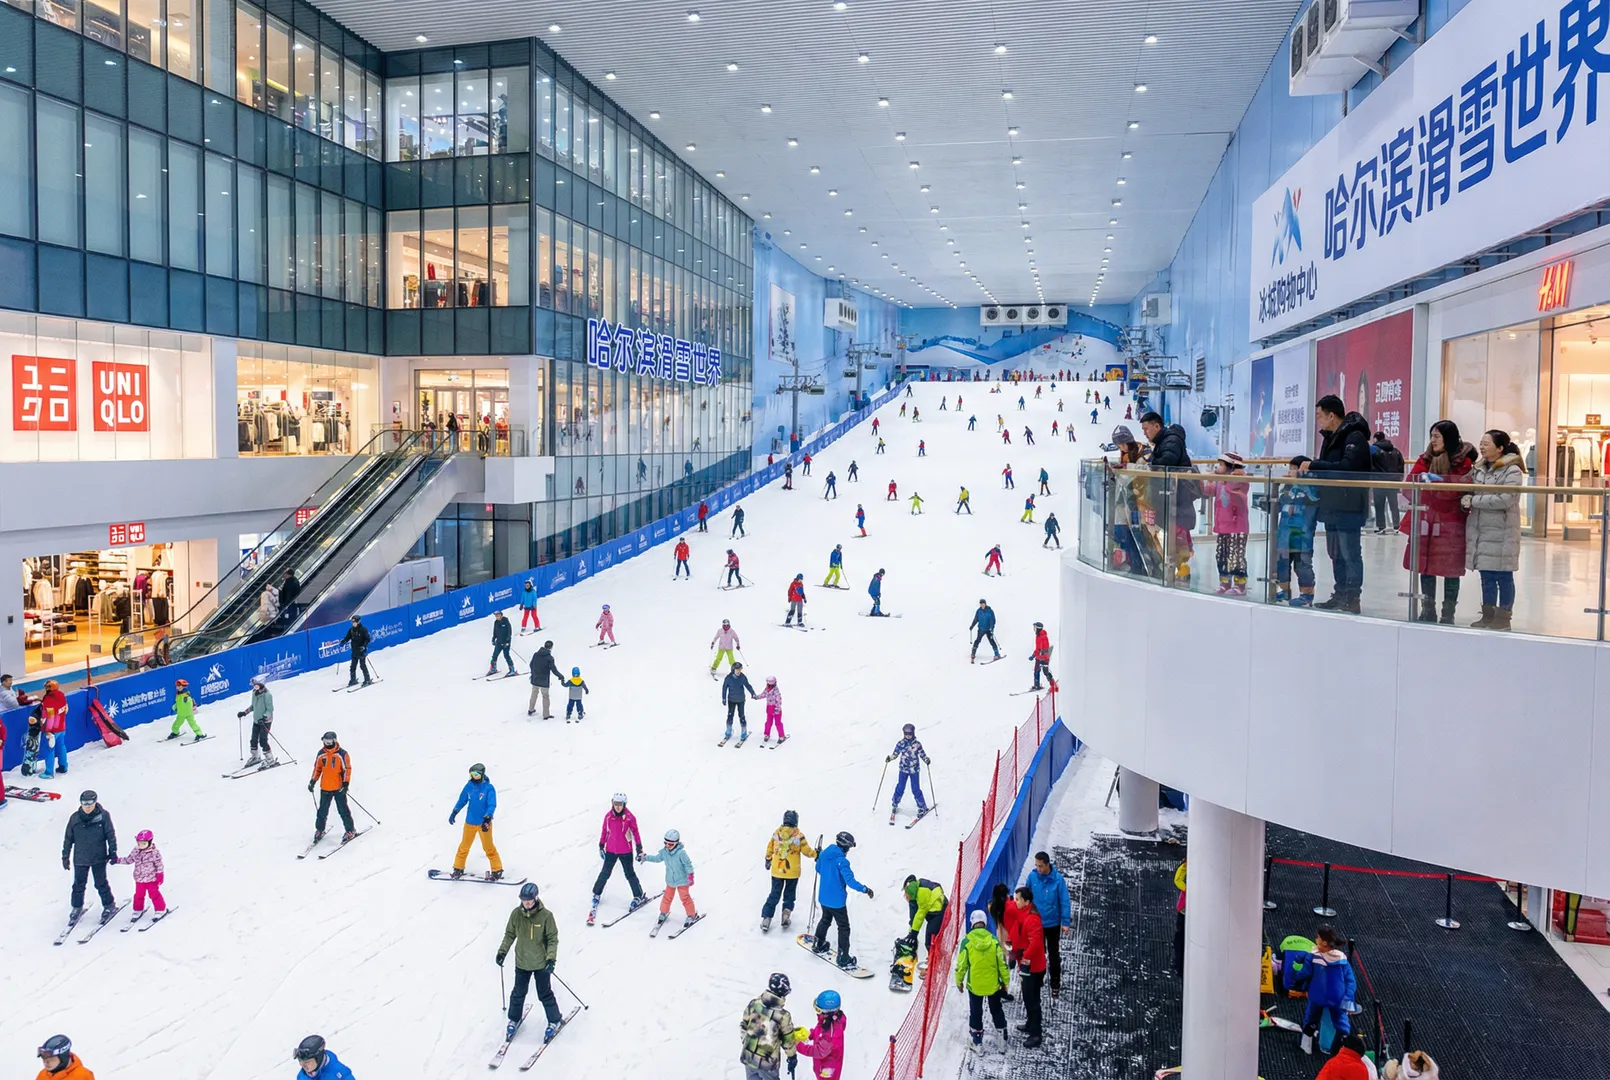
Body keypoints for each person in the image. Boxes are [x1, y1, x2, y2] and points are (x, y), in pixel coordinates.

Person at [1299, 395, 1371, 612]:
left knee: (1350, 553)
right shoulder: (1330, 437)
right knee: (1335, 553)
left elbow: (1347, 466)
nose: (1319, 421)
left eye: (1320, 416)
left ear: (1331, 415)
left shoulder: (1354, 437)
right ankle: (1339, 594)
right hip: (1331, 504)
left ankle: (1352, 597)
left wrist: (1315, 465)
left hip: (1349, 506)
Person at [1403, 419, 1474, 624]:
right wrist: (1428, 485)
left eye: (1437, 436)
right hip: (1426, 520)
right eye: (1431, 436)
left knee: (1450, 570)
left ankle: (1448, 613)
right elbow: (1408, 487)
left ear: (1448, 438)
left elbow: (1454, 492)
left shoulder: (1464, 462)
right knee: (1425, 566)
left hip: (1450, 524)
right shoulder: (1425, 458)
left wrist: (1436, 485)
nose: (1432, 440)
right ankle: (1428, 609)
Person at [1464, 429, 1525, 631]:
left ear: (1500, 448)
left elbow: (1506, 499)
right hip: (1481, 529)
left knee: (1504, 576)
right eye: (1481, 443)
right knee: (1486, 576)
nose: (1482, 446)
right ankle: (1488, 615)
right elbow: (1470, 490)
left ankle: (1504, 617)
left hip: (1503, 531)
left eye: (1486, 443)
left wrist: (1474, 500)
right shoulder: (1479, 469)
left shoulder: (1512, 471)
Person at [496, 883, 564, 1043]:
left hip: (541, 963)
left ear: (535, 898)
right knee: (518, 993)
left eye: (529, 900)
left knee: (544, 994)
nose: (526, 903)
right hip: (522, 961)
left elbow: (552, 939)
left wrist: (551, 959)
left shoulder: (546, 916)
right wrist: (502, 952)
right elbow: (509, 934)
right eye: (523, 900)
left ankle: (554, 1020)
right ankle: (513, 1019)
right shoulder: (516, 914)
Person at [812, 831, 873, 968]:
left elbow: (818, 868)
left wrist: (819, 858)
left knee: (825, 919)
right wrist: (865, 889)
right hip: (837, 901)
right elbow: (850, 882)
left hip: (823, 897)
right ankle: (843, 957)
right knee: (844, 927)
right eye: (849, 847)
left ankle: (818, 943)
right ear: (845, 847)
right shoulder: (842, 862)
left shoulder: (825, 853)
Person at [1265, 457, 1320, 606]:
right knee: (1282, 562)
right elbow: (1279, 502)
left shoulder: (1311, 485)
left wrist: (1300, 482)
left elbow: (1314, 499)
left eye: (1294, 468)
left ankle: (1306, 594)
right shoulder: (1288, 486)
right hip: (1285, 533)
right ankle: (1284, 589)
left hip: (1302, 534)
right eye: (1290, 468)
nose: (1291, 471)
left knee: (1302, 564)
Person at [955, 910, 1011, 1047]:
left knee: (976, 1012)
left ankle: (977, 1042)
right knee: (996, 1009)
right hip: (993, 985)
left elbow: (961, 965)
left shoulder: (967, 942)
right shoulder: (993, 940)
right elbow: (1002, 963)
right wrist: (1005, 982)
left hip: (975, 986)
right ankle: (1002, 1039)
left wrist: (959, 981)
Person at [1302, 925, 1357, 1053]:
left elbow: (1305, 973)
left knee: (1311, 1018)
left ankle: (1306, 1045)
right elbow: (1350, 981)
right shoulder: (1342, 959)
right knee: (1341, 1023)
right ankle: (1340, 1050)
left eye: (1317, 937)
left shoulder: (1313, 957)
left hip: (1317, 996)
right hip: (1337, 998)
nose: (1315, 939)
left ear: (1324, 942)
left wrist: (1297, 984)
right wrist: (1348, 998)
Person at [63, 790, 117, 919]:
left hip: (99, 857)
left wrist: (113, 852)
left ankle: (109, 905)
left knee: (100, 883)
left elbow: (110, 835)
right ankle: (76, 907)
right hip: (80, 858)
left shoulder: (103, 816)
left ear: (95, 802)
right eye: (84, 803)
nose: (87, 806)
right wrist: (65, 857)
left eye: (90, 803)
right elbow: (68, 839)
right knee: (78, 884)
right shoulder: (75, 818)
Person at [760, 809, 816, 931]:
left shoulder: (777, 833)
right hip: (792, 872)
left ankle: (766, 919)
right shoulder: (798, 835)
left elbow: (770, 846)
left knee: (774, 893)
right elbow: (806, 850)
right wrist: (816, 854)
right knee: (789, 894)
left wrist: (768, 858)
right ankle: (785, 916)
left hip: (777, 870)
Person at [592, 793, 647, 916]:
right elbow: (604, 831)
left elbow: (636, 833)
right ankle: (596, 893)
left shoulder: (629, 817)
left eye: (620, 805)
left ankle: (638, 896)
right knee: (605, 873)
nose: (617, 807)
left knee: (629, 874)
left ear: (624, 805)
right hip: (611, 850)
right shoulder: (608, 817)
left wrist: (639, 848)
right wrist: (601, 845)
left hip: (626, 851)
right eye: (615, 804)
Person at [1205, 452, 1251, 595]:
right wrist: (1206, 479)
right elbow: (1208, 490)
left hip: (1237, 527)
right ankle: (1224, 582)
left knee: (1236, 556)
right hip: (1222, 526)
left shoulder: (1240, 481)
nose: (1219, 468)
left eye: (1222, 465)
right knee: (1222, 555)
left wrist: (1224, 479)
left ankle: (1240, 584)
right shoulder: (1220, 481)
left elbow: (1237, 495)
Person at [740, 972, 801, 1080]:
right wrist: (792, 1056)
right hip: (767, 1063)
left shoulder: (754, 1004)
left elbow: (744, 1024)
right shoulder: (783, 1016)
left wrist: (747, 1042)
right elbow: (788, 1041)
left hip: (749, 1057)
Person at [1026, 852, 1071, 997]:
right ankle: (1038, 979)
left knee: (1053, 955)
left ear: (1047, 864)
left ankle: (1055, 983)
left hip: (1052, 924)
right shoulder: (1032, 877)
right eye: (1036, 865)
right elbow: (1026, 897)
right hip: (1037, 924)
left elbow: (1064, 901)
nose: (1038, 868)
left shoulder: (1058, 880)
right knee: (1038, 954)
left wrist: (1065, 922)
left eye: (1040, 866)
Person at [448, 762, 503, 880]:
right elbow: (462, 800)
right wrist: (455, 811)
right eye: (472, 774)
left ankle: (497, 870)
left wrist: (488, 817)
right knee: (464, 847)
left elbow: (492, 804)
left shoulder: (489, 788)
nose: (474, 777)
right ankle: (458, 868)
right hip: (470, 823)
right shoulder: (469, 786)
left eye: (477, 775)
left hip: (484, 823)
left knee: (488, 848)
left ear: (482, 774)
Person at [641, 828, 698, 929]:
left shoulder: (681, 853)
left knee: (685, 898)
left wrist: (690, 875)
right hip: (670, 880)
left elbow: (688, 864)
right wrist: (646, 857)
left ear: (676, 843)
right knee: (667, 897)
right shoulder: (664, 852)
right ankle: (663, 912)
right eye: (666, 843)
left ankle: (691, 915)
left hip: (682, 881)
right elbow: (656, 858)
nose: (668, 846)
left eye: (670, 844)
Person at [1012, 886, 1046, 1048]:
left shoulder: (1032, 919)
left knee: (1032, 1000)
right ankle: (1030, 1024)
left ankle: (1036, 1034)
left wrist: (1025, 957)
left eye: (1017, 899)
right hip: (1026, 965)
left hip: (1032, 968)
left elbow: (1036, 944)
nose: (1015, 901)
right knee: (1027, 997)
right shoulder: (1024, 911)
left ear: (1026, 901)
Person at [308, 732, 356, 842]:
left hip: (338, 787)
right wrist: (313, 781)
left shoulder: (342, 754)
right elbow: (317, 768)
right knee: (322, 811)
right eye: (325, 742)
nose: (327, 744)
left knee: (343, 810)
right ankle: (320, 829)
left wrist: (345, 783)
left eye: (329, 742)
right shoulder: (321, 754)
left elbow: (347, 769)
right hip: (325, 787)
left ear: (334, 741)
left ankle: (350, 830)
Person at [792, 990, 846, 1080]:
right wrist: (810, 1034)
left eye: (818, 1010)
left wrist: (798, 1045)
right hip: (825, 1063)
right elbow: (821, 1030)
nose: (817, 1012)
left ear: (828, 1012)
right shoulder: (829, 1020)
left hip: (828, 1070)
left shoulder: (830, 1032)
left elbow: (818, 1052)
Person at [117, 827, 167, 917]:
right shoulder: (136, 851)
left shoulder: (154, 853)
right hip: (139, 879)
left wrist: (160, 875)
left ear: (150, 842)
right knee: (138, 895)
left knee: (154, 894)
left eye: (144, 843)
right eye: (139, 843)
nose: (141, 845)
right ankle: (137, 910)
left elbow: (159, 865)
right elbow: (129, 860)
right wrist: (117, 860)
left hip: (151, 879)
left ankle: (160, 909)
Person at [887, 723, 931, 817]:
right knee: (900, 787)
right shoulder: (901, 744)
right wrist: (890, 758)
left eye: (909, 734)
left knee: (915, 789)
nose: (908, 736)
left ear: (913, 733)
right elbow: (895, 754)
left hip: (914, 770)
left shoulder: (917, 744)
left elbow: (922, 754)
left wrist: (926, 759)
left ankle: (922, 807)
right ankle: (895, 803)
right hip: (903, 769)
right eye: (906, 734)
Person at [902, 874, 948, 962]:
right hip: (933, 911)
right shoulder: (916, 888)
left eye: (906, 894)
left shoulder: (921, 894)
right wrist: (911, 932)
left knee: (930, 938)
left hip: (940, 911)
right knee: (932, 938)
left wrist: (914, 933)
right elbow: (914, 917)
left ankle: (934, 963)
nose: (906, 896)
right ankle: (934, 959)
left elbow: (920, 915)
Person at [236, 676, 277, 767]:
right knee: (253, 740)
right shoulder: (254, 693)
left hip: (265, 721)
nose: (254, 687)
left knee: (263, 740)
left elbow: (270, 709)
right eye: (254, 685)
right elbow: (253, 706)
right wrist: (245, 712)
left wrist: (264, 717)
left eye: (256, 685)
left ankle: (270, 759)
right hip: (256, 721)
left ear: (261, 685)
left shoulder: (267, 695)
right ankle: (255, 757)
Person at [1371, 431, 1405, 533]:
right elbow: (1401, 465)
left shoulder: (1374, 450)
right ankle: (1396, 526)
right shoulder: (1396, 451)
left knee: (1379, 505)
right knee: (1393, 505)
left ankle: (1381, 527)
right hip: (1393, 482)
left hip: (1379, 482)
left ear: (1376, 439)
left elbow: (1370, 465)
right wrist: (1399, 479)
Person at [38, 679, 69, 776]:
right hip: (61, 727)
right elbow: (66, 710)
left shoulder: (49, 700)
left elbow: (50, 717)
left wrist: (48, 730)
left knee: (49, 749)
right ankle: (63, 766)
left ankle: (49, 772)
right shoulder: (62, 696)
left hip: (52, 730)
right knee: (61, 747)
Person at [722, 661, 758, 740]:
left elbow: (748, 685)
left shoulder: (742, 677)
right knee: (730, 715)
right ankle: (728, 731)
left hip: (741, 700)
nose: (738, 671)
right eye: (737, 669)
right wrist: (724, 698)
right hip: (731, 700)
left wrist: (753, 693)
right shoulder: (728, 678)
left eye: (740, 669)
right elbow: (724, 688)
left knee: (741, 715)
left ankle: (744, 732)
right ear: (733, 670)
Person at [527, 640, 562, 717]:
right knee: (545, 696)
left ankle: (530, 709)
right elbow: (554, 670)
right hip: (544, 680)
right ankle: (546, 715)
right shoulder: (550, 658)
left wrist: (534, 672)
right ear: (551, 648)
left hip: (535, 678)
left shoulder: (536, 654)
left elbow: (531, 665)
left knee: (534, 693)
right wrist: (560, 676)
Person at [342, 615, 373, 687]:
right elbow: (347, 638)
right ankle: (353, 680)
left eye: (355, 622)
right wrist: (343, 641)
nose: (353, 624)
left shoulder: (363, 629)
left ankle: (367, 679)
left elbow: (367, 639)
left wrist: (364, 646)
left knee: (362, 666)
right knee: (352, 667)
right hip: (354, 651)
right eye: (352, 622)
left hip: (361, 651)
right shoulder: (351, 630)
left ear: (358, 622)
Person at [487, 611, 516, 676]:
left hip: (506, 642)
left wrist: (507, 641)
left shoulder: (505, 621)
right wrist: (493, 639)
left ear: (501, 615)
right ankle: (493, 668)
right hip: (499, 642)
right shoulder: (496, 622)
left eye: (498, 615)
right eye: (496, 616)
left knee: (506, 655)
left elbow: (509, 632)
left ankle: (512, 669)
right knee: (495, 655)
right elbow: (495, 631)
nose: (497, 617)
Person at [761, 676, 785, 744]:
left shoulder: (776, 691)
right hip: (769, 708)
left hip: (776, 709)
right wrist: (756, 697)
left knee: (778, 723)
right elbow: (763, 694)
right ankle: (767, 734)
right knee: (768, 722)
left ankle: (781, 736)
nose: (769, 685)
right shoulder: (767, 689)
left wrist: (777, 708)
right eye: (768, 684)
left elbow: (779, 700)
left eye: (770, 684)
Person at [1173, 859, 1187, 976]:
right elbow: (1178, 880)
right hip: (1185, 911)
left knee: (1180, 939)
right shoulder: (1186, 867)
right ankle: (1179, 966)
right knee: (1181, 939)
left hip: (1184, 911)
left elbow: (1178, 879)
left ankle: (1179, 966)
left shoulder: (1187, 867)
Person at [1031, 621, 1053, 690]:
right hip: (1039, 657)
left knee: (1045, 671)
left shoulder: (1043, 637)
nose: (1034, 629)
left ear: (1038, 629)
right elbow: (1038, 648)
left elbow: (1042, 649)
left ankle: (1053, 685)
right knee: (1036, 670)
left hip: (1044, 657)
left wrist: (1036, 655)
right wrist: (1034, 655)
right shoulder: (1038, 636)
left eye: (1035, 628)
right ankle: (1036, 685)